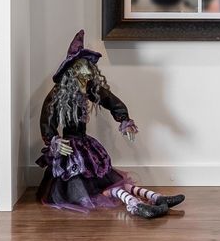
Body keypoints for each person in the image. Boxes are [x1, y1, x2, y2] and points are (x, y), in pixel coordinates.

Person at [35, 30, 184, 218]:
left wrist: (124, 119)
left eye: (88, 65)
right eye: (82, 65)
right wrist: (53, 141)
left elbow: (110, 100)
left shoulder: (88, 87)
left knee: (108, 179)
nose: (88, 70)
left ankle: (155, 197)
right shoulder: (59, 93)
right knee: (96, 188)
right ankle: (136, 205)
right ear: (72, 68)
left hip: (84, 144)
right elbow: (47, 117)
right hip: (70, 150)